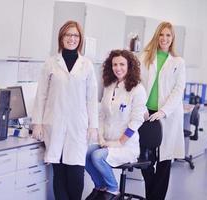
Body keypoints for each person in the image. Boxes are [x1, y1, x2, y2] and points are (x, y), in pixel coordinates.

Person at [31, 20, 98, 200]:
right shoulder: (51, 63)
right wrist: (37, 123)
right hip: (54, 124)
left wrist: (94, 126)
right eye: (68, 35)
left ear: (80, 39)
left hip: (78, 126)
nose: (72, 39)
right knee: (59, 174)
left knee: (76, 174)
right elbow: (41, 95)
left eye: (76, 35)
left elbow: (91, 98)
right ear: (61, 38)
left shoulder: (87, 65)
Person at [85, 50, 147, 200]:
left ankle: (113, 190)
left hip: (126, 146)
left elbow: (136, 121)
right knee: (85, 152)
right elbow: (101, 114)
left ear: (130, 66)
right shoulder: (109, 86)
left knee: (97, 156)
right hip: (107, 141)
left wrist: (119, 142)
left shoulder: (137, 89)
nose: (118, 68)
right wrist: (100, 137)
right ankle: (100, 186)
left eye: (122, 64)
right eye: (114, 64)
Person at [140, 21, 186, 200]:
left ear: (172, 38)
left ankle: (155, 198)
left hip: (167, 115)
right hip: (146, 113)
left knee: (164, 159)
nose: (164, 38)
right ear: (156, 36)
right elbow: (137, 82)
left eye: (168, 35)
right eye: (162, 34)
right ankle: (152, 195)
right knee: (146, 159)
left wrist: (164, 111)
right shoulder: (144, 57)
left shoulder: (178, 62)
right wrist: (142, 106)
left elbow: (178, 90)